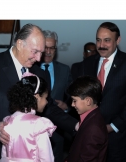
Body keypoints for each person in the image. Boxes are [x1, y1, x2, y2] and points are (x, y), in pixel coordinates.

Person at [0, 23, 78, 162]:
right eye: (35, 51)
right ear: (19, 44)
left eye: (41, 52)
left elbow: (49, 108)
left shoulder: (40, 73)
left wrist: (77, 125)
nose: (39, 58)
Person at [82, 22, 126, 162]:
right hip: (91, 135)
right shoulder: (88, 63)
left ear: (118, 40)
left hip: (119, 137)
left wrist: (113, 126)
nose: (101, 45)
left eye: (107, 40)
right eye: (98, 40)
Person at [0, 72, 56, 162]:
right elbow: (47, 158)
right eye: (45, 98)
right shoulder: (39, 124)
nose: (46, 102)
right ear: (37, 97)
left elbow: (4, 155)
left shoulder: (8, 121)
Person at [37, 30, 73, 162]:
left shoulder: (64, 69)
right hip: (34, 130)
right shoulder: (31, 68)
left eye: (51, 48)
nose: (48, 51)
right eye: (45, 47)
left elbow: (72, 94)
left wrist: (67, 106)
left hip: (57, 130)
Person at [65, 76, 108, 162]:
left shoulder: (94, 129)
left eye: (74, 101)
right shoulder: (91, 117)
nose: (72, 105)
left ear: (88, 101)